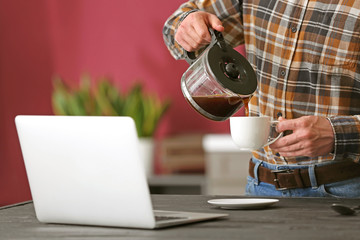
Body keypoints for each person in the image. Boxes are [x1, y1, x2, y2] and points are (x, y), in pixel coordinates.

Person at [163, 0, 360, 197]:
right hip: (261, 186)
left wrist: (338, 133)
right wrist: (188, 24)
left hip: (346, 188)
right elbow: (174, 26)